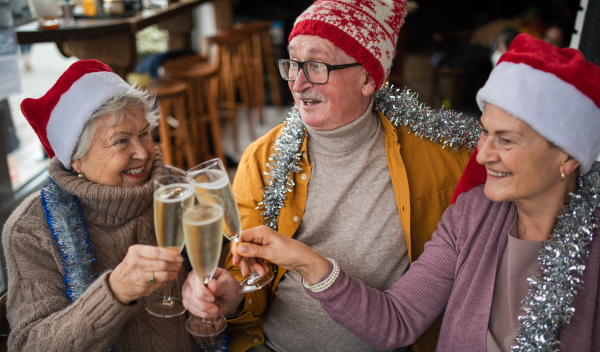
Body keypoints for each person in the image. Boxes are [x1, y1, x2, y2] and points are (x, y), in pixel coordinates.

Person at [233, 33, 600, 351]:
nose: (483, 153)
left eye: (505, 140)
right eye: (485, 131)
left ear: (567, 157)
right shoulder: (471, 216)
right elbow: (397, 321)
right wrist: (307, 262)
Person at [182, 0, 474, 351]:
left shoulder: (444, 156)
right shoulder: (263, 157)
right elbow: (247, 277)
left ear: (368, 77)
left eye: (317, 65)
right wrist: (232, 299)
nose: (299, 82)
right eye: (292, 63)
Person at [2, 60, 196, 351]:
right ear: (76, 159)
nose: (142, 152)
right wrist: (114, 292)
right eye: (121, 141)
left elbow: (225, 292)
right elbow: (28, 344)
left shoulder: (179, 189)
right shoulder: (31, 230)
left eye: (144, 133)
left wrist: (220, 310)